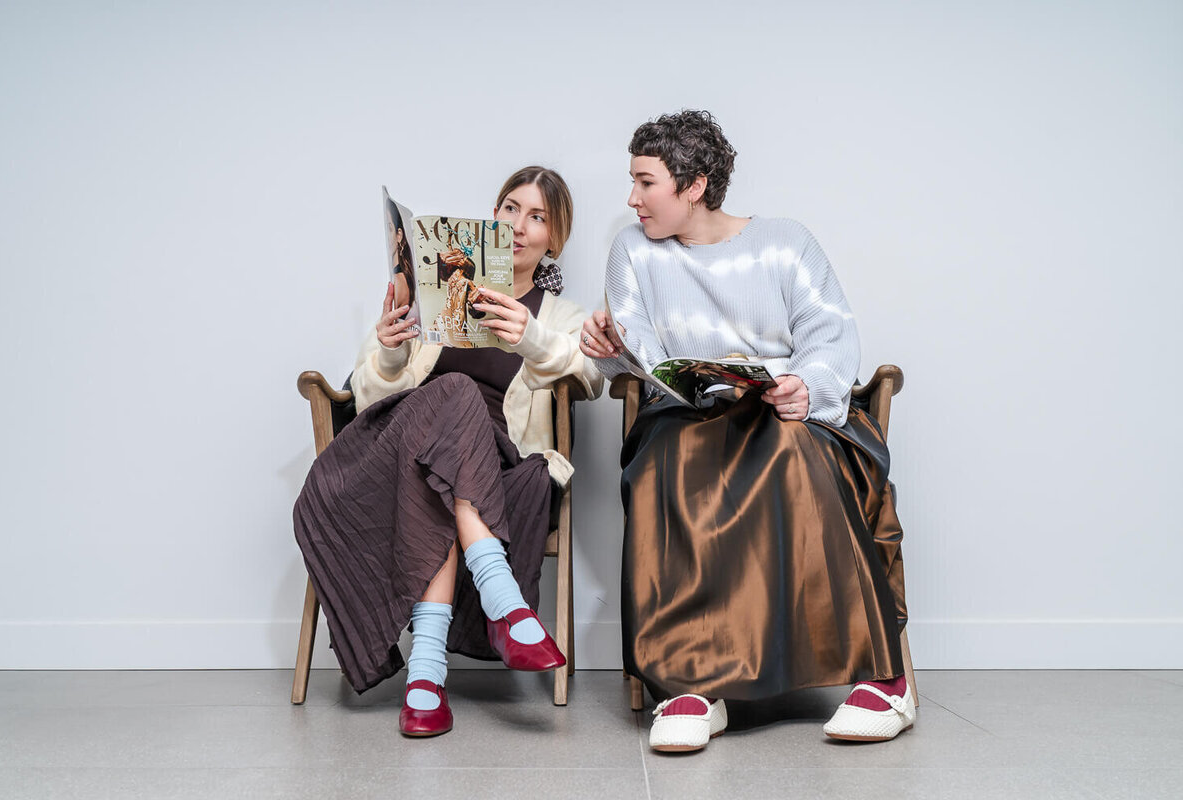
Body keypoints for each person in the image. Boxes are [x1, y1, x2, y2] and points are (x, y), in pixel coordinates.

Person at [581, 111, 914, 752]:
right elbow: (641, 348)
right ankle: (691, 685)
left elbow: (831, 336)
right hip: (685, 414)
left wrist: (805, 387)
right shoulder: (632, 249)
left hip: (783, 409)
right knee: (666, 463)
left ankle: (883, 679)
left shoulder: (786, 242)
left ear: (695, 184)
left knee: (792, 449)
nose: (631, 198)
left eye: (645, 182)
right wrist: (610, 348)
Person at [295, 166, 602, 738]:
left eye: (538, 217)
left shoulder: (561, 317)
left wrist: (528, 334)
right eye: (510, 208)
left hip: (490, 464)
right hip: (399, 445)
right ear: (491, 217)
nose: (519, 225)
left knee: (443, 476)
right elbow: (364, 395)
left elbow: (589, 376)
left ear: (554, 239)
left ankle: (425, 681)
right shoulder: (434, 286)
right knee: (453, 395)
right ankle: (504, 604)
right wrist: (389, 352)